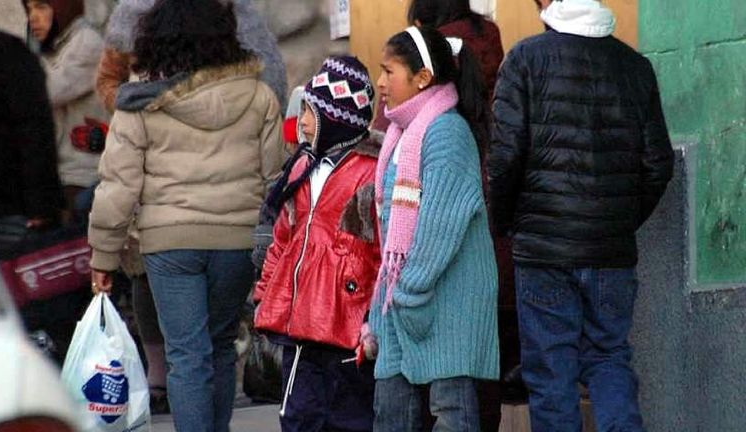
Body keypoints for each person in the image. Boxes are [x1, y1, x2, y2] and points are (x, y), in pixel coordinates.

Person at [87, 0, 286, 431]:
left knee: (185, 356)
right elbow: (274, 178)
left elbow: (118, 187)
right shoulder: (259, 95)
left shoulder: (139, 102)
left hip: (168, 243)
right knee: (217, 347)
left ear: (155, 41)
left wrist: (103, 256)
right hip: (236, 241)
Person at [489, 1, 674, 431]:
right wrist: (620, 220)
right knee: (609, 358)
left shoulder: (524, 59)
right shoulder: (635, 66)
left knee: (551, 372)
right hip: (610, 253)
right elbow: (657, 164)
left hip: (543, 252)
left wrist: (508, 223)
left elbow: (504, 159)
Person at [369, 26, 499, 431]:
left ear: (422, 77)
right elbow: (392, 229)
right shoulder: (399, 135)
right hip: (403, 302)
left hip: (447, 303)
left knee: (451, 414)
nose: (381, 82)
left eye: (389, 71)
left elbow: (441, 227)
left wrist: (407, 291)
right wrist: (383, 307)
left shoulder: (447, 133)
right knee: (390, 412)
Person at [253, 56, 381, 432]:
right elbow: (282, 239)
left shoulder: (371, 172)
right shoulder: (301, 168)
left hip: (349, 327)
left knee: (351, 420)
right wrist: (265, 294)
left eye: (311, 111)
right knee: (299, 418)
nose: (303, 121)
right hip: (302, 325)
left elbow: (381, 250)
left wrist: (373, 317)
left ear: (337, 118)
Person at [96, 0, 287, 112]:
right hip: (156, 163)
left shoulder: (239, 14)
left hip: (233, 150)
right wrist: (136, 111)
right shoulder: (133, 13)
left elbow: (271, 87)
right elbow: (107, 80)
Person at [0, 16, 64, 255]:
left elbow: (34, 132)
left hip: (3, 212)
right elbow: (35, 131)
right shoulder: (5, 52)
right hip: (4, 210)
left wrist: (41, 205)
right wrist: (43, 206)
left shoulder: (4, 54)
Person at [22, 0, 109, 216]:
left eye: (41, 7)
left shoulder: (87, 43)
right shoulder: (57, 46)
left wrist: (21, 57)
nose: (33, 17)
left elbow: (43, 93)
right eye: (29, 9)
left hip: (84, 177)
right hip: (60, 176)